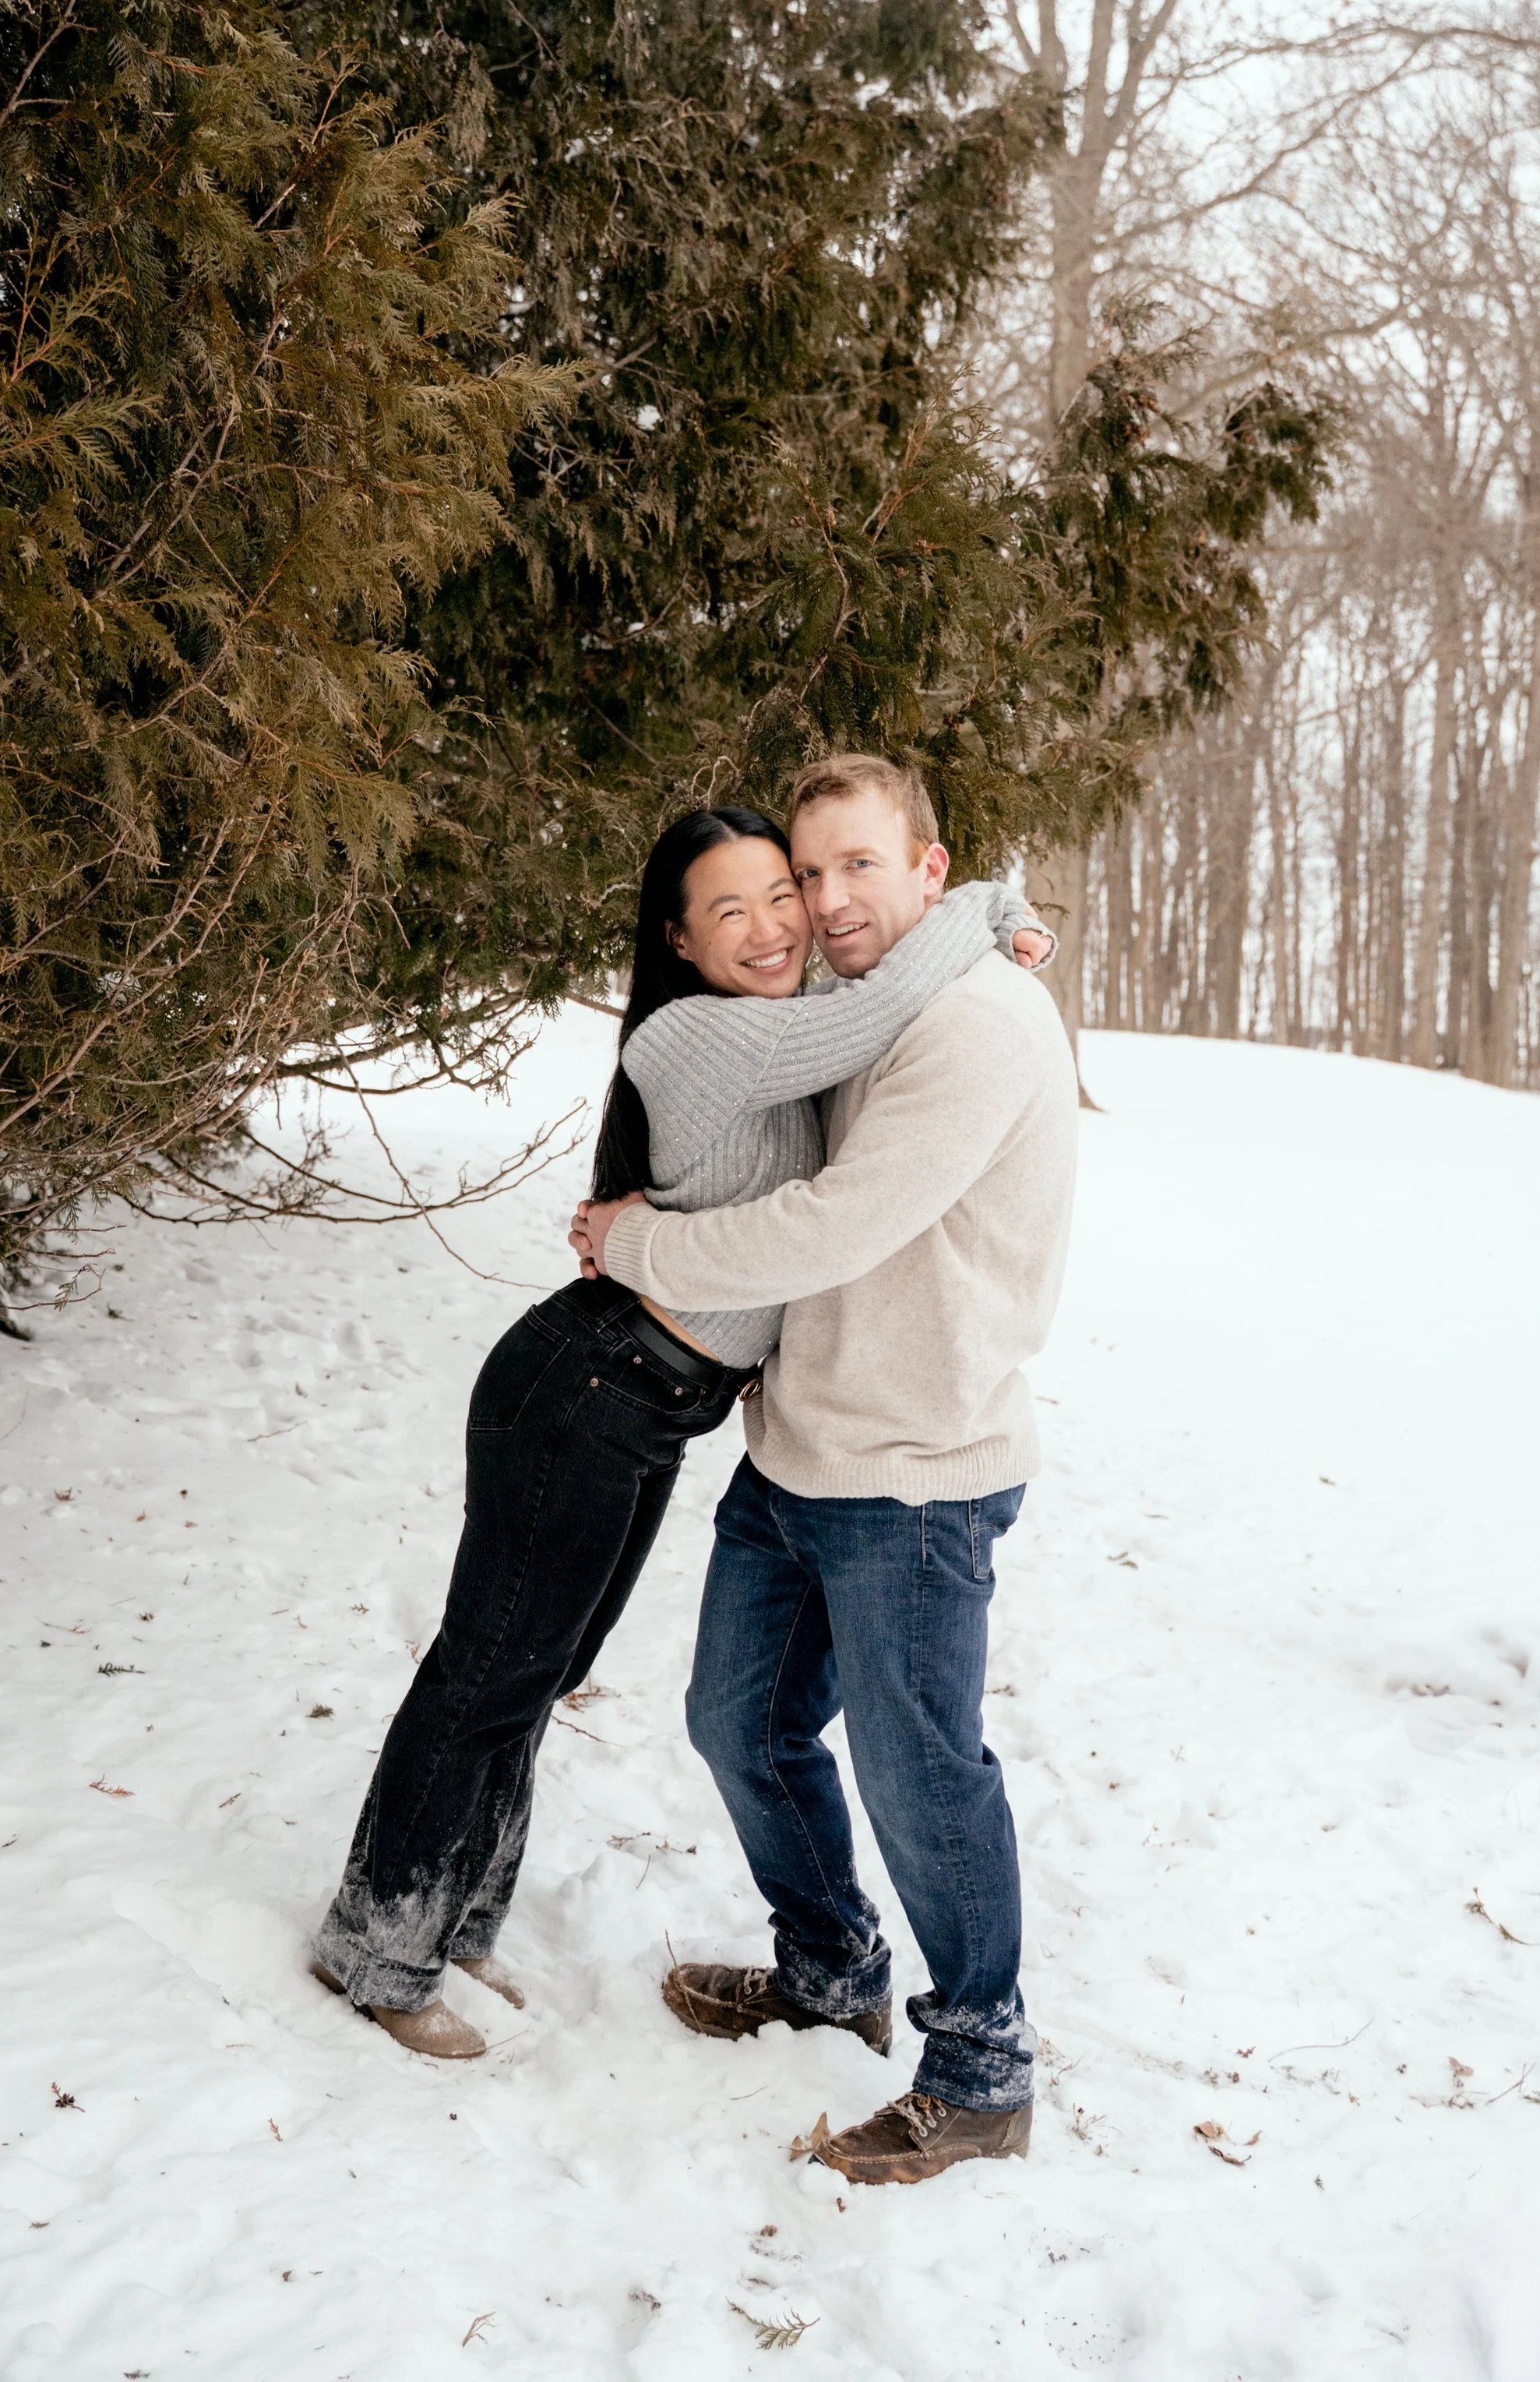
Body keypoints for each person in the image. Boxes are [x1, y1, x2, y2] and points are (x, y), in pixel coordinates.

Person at [311, 802, 1049, 2059]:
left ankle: (459, 1912)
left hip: (653, 1406)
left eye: (788, 892)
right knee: (491, 1667)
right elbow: (869, 1012)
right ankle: (378, 1946)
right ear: (679, 939)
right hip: (588, 1390)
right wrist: (986, 907)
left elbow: (878, 1037)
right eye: (735, 907)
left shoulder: (785, 1035)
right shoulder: (703, 1037)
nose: (779, 923)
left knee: (539, 1667)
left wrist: (989, 917)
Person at [575, 752, 1080, 2186]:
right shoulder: (860, 1004)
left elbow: (826, 1226)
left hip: (916, 1471)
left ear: (931, 869)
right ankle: (833, 1965)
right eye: (810, 871)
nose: (826, 899)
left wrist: (637, 1243)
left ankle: (981, 2064)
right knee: (737, 1722)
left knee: (923, 1775)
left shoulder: (974, 1024)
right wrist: (1002, 914)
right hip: (802, 1446)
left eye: (862, 865)